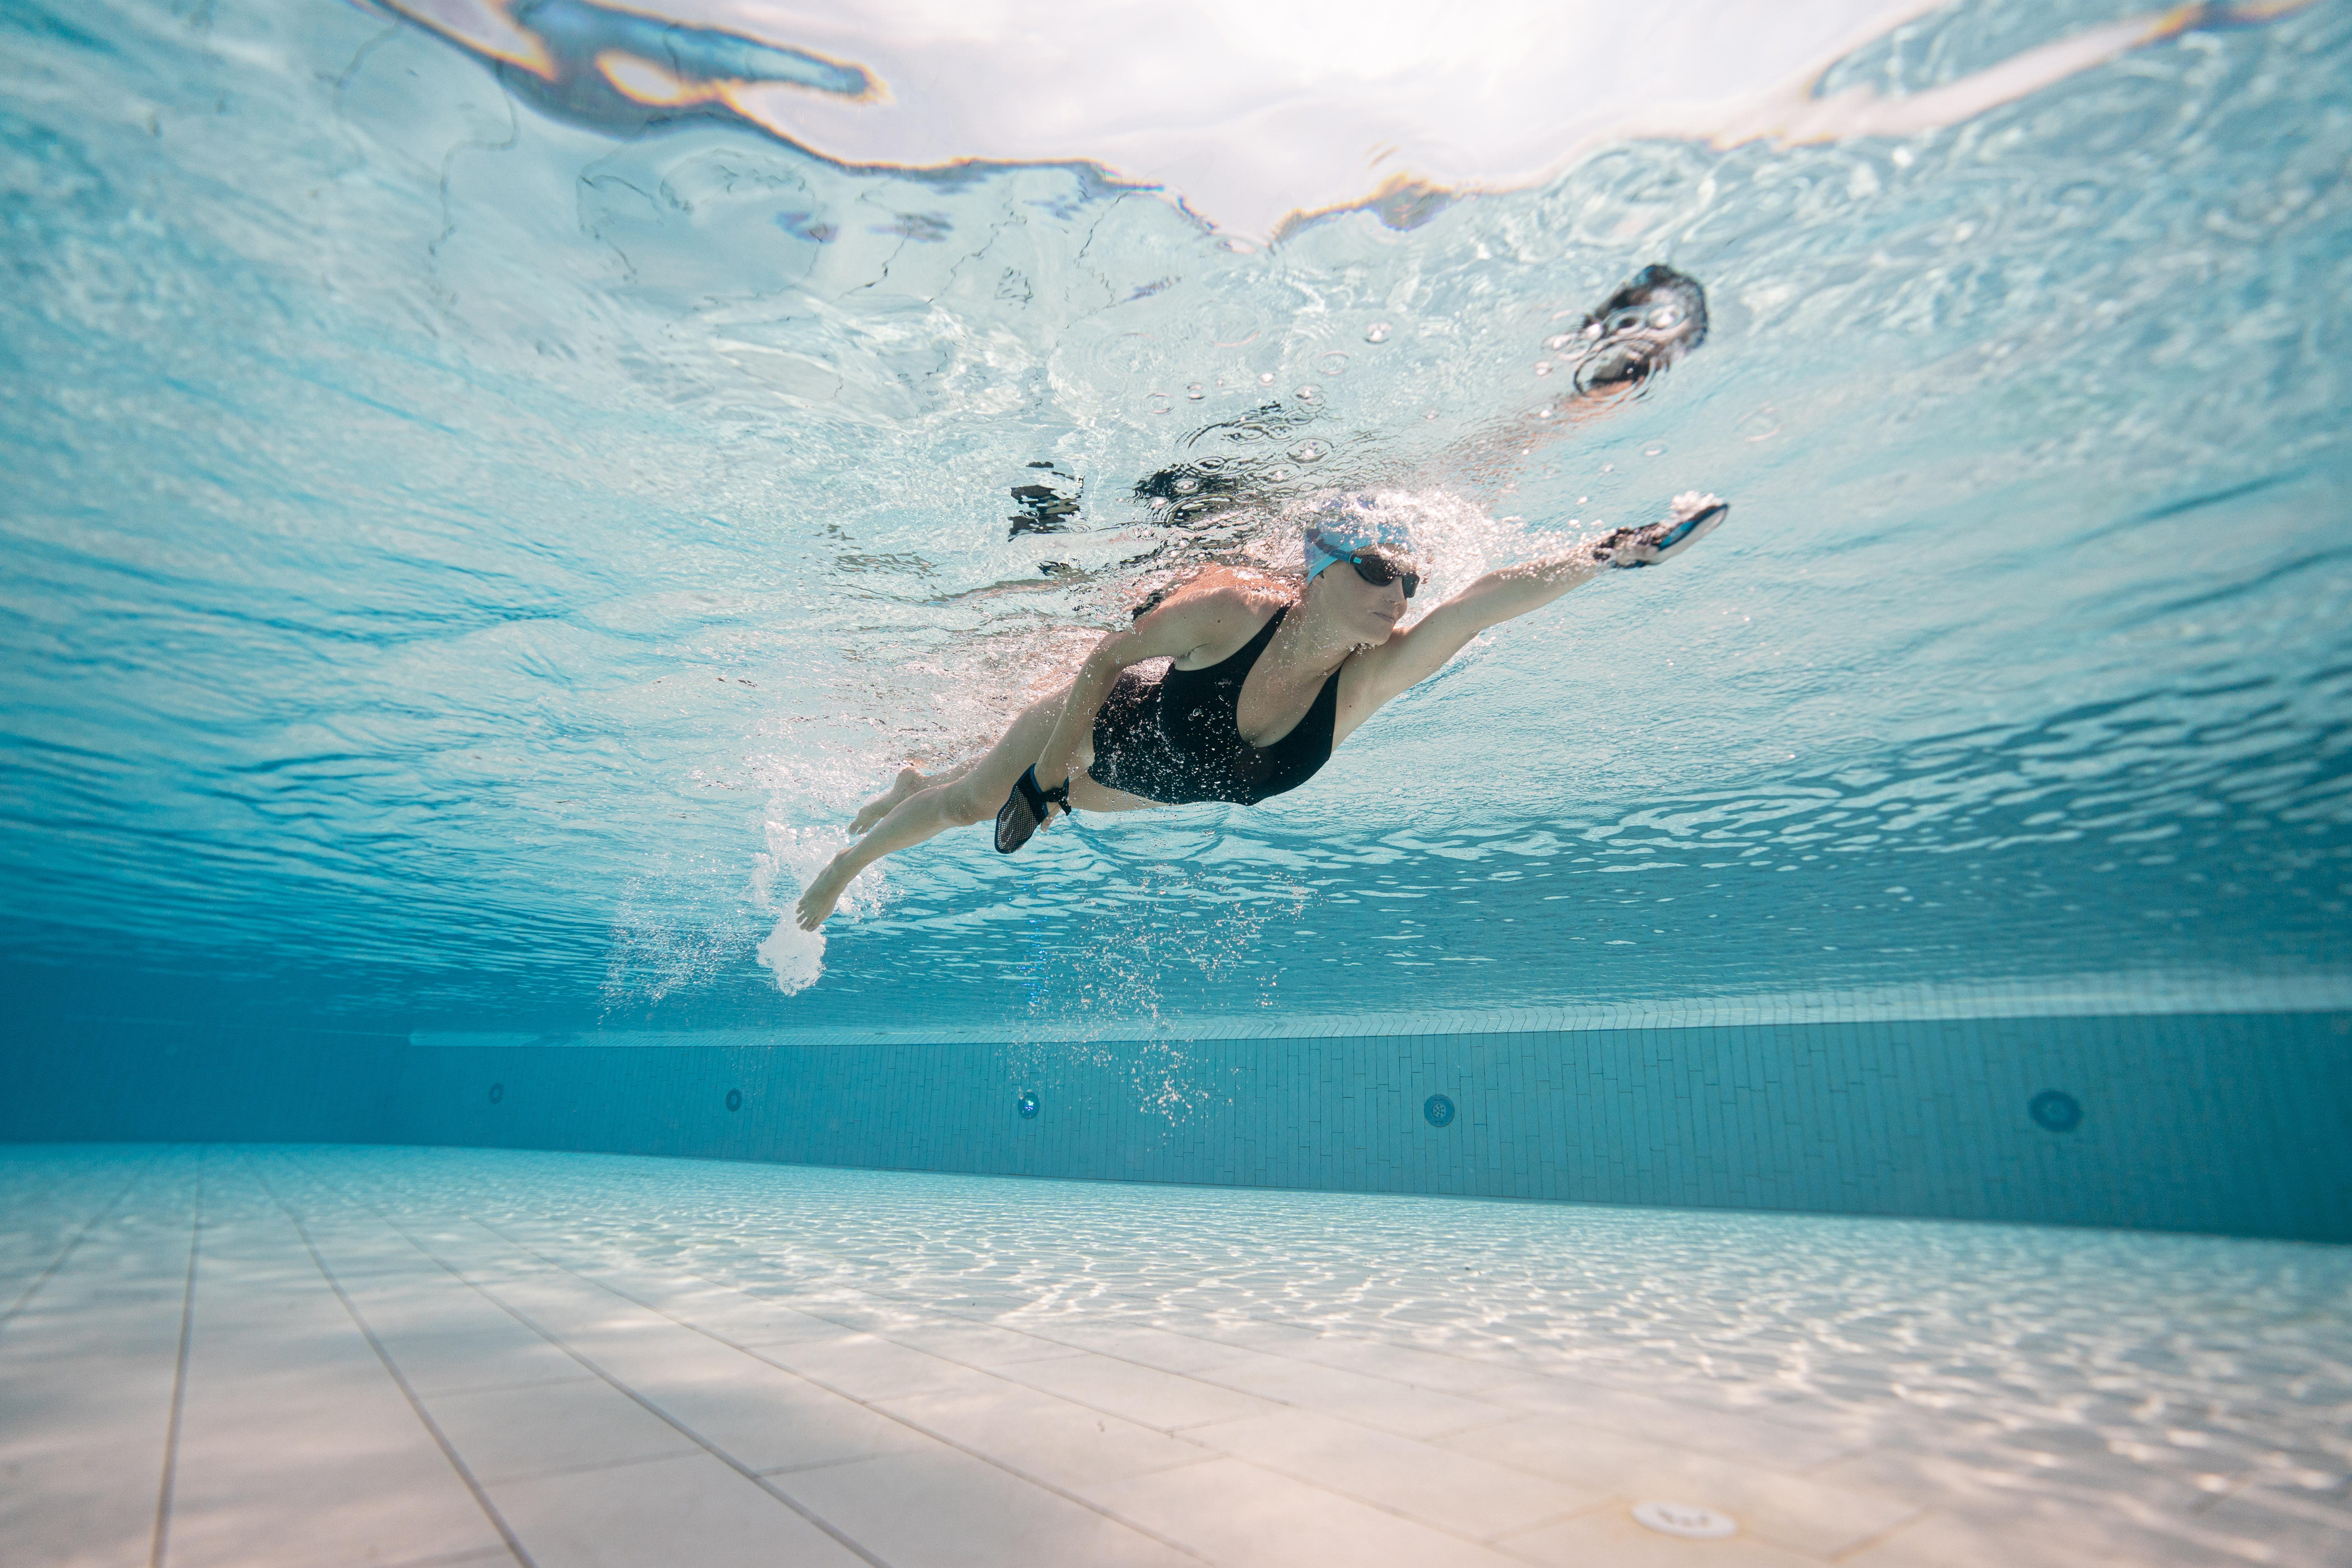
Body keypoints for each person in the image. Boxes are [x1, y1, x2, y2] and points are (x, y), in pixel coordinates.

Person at [790, 488, 1730, 929]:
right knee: (969, 807)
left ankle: (921, 777)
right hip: (1096, 726)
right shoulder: (1235, 608)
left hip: (1146, 789)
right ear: (1318, 571)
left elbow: (1483, 603)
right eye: (1374, 569)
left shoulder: (1361, 683)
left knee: (968, 789)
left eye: (1409, 578)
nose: (1398, 594)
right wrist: (1040, 776)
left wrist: (1609, 554)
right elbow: (1110, 653)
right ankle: (845, 866)